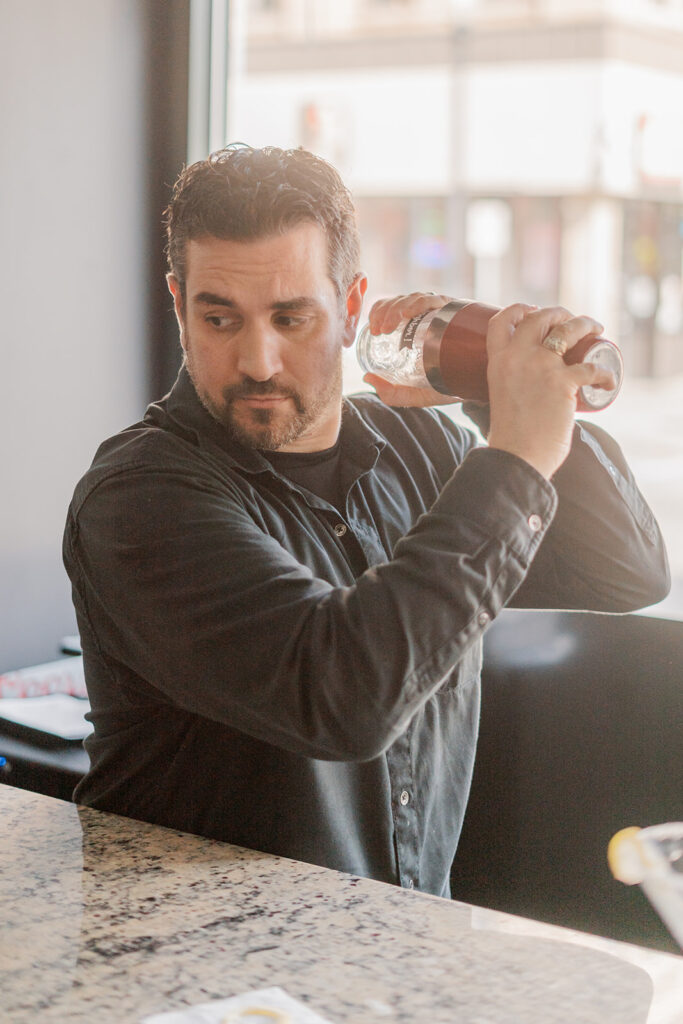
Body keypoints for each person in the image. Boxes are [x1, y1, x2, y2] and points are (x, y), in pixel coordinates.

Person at [63, 144, 669, 899]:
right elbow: (343, 697)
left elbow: (621, 571)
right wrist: (514, 452)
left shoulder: (425, 446)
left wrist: (491, 393)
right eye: (219, 318)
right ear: (178, 301)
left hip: (398, 957)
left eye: (292, 317)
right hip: (208, 985)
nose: (257, 358)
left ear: (351, 309)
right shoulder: (139, 497)